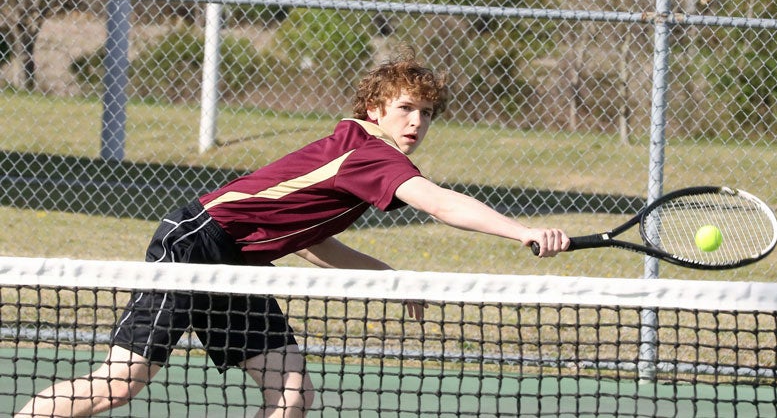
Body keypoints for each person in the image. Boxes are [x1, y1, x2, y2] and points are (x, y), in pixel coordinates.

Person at [16, 50, 569, 417]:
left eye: (426, 113)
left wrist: (390, 279)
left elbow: (309, 242)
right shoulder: (367, 154)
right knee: (122, 382)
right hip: (197, 241)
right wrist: (521, 231)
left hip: (241, 263)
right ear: (375, 109)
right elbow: (438, 202)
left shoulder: (357, 159)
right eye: (405, 109)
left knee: (291, 397)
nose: (417, 123)